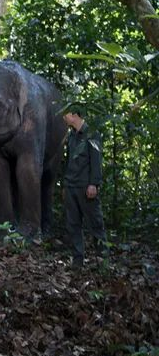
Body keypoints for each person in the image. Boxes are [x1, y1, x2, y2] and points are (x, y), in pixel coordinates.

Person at [62, 105, 105, 267]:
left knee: (95, 223)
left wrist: (94, 183)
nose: (63, 117)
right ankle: (78, 261)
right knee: (73, 224)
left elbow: (96, 160)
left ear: (74, 115)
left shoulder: (92, 133)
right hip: (72, 185)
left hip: (86, 186)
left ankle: (102, 260)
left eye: (65, 114)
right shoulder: (72, 136)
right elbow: (68, 163)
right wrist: (65, 185)